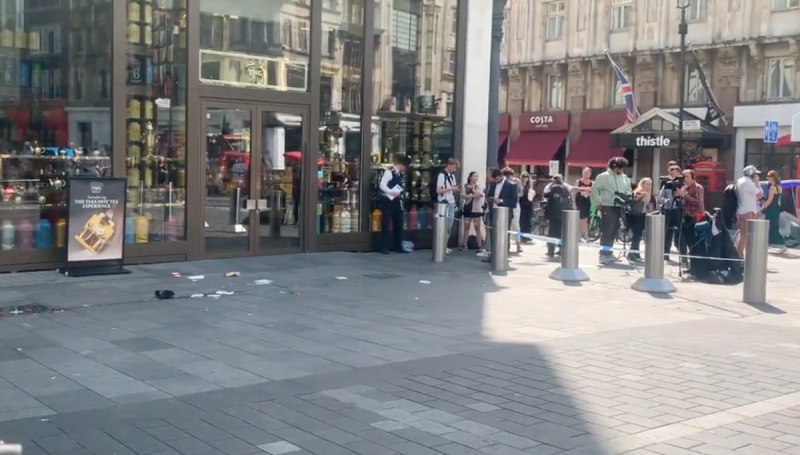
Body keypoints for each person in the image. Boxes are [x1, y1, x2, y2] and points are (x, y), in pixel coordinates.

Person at [591, 156, 632, 264]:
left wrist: (628, 195)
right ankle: (603, 254)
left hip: (620, 206)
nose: (621, 170)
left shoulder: (624, 177)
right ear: (614, 166)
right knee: (607, 229)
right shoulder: (603, 176)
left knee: (615, 229)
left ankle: (609, 252)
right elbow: (595, 189)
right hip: (608, 205)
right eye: (620, 167)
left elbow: (629, 189)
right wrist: (597, 202)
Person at [483, 168, 519, 262]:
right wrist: (491, 199)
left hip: (505, 213)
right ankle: (492, 255)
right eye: (494, 179)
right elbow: (489, 195)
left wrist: (501, 201)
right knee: (493, 234)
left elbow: (514, 202)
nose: (496, 181)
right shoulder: (493, 184)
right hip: (493, 211)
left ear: (501, 176)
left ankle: (504, 257)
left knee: (504, 235)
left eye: (497, 179)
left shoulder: (511, 185)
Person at [378, 153, 408, 254]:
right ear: (401, 165)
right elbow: (382, 185)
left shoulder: (400, 174)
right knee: (386, 223)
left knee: (398, 222)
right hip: (388, 200)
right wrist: (391, 192)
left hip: (396, 200)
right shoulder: (389, 172)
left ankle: (397, 245)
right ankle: (383, 246)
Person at [676, 169, 705, 268]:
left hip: (696, 218)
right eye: (683, 177)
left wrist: (684, 195)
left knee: (694, 243)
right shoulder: (684, 188)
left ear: (693, 177)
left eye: (687, 177)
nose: (685, 179)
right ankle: (690, 265)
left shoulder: (698, 188)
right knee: (686, 241)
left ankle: (696, 266)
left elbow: (698, 202)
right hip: (686, 217)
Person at [734, 165, 763, 257]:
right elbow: (760, 194)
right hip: (747, 211)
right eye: (755, 174)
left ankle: (736, 252)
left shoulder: (740, 181)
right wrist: (757, 183)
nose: (756, 176)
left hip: (740, 210)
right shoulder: (748, 182)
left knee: (741, 233)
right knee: (744, 234)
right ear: (752, 174)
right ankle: (739, 254)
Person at [659, 163, 683, 261]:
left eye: (674, 174)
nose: (672, 176)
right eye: (670, 174)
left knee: (680, 233)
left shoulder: (683, 183)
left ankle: (683, 255)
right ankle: (665, 254)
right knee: (667, 232)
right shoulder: (666, 183)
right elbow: (660, 197)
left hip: (679, 210)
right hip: (668, 210)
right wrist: (666, 201)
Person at [435, 158, 460, 254]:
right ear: (449, 165)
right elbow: (438, 190)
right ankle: (441, 246)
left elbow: (452, 189)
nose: (454, 170)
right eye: (454, 167)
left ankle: (445, 245)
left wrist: (456, 189)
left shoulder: (452, 176)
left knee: (449, 226)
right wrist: (450, 189)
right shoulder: (441, 175)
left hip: (451, 202)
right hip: (444, 202)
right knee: (444, 226)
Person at [628, 178, 655, 261]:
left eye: (650, 184)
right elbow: (633, 199)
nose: (648, 186)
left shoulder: (648, 193)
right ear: (642, 184)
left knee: (638, 235)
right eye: (646, 184)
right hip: (636, 215)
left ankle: (634, 253)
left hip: (642, 214)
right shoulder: (639, 190)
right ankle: (633, 254)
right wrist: (641, 195)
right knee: (636, 234)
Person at [543, 174, 570, 258]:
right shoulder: (565, 188)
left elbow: (546, 195)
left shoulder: (553, 187)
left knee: (552, 232)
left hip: (553, 214)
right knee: (561, 232)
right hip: (562, 213)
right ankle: (561, 249)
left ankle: (550, 250)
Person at [460, 171, 486, 254]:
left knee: (477, 228)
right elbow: (463, 196)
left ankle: (479, 245)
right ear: (470, 177)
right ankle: (464, 244)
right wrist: (473, 196)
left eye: (477, 176)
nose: (476, 178)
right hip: (468, 208)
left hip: (476, 209)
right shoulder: (465, 186)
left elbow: (479, 195)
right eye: (474, 176)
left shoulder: (478, 186)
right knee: (466, 227)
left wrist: (472, 190)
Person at [763, 170, 788, 254]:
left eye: (769, 176)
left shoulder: (772, 188)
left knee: (770, 227)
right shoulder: (779, 187)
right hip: (776, 209)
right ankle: (770, 245)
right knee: (774, 227)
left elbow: (769, 200)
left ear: (773, 177)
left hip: (771, 209)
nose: (767, 178)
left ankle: (782, 245)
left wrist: (762, 208)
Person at [503, 168, 523, 253]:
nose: (509, 177)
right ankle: (506, 245)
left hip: (515, 205)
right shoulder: (503, 182)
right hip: (505, 205)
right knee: (505, 225)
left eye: (510, 175)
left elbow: (521, 192)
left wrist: (514, 195)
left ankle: (518, 244)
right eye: (507, 176)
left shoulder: (516, 181)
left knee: (515, 225)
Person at [575, 168, 593, 239]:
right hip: (579, 201)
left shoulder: (592, 183)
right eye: (584, 173)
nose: (586, 174)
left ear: (590, 174)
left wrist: (588, 193)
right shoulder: (578, 182)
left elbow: (593, 193)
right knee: (580, 218)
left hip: (587, 202)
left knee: (586, 218)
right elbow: (575, 191)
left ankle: (584, 233)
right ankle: (579, 234)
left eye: (587, 173)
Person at [519, 172, 535, 243]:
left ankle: (527, 236)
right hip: (521, 206)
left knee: (528, 222)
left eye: (526, 177)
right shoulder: (520, 185)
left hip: (528, 206)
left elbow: (531, 197)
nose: (525, 179)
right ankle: (522, 236)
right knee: (522, 222)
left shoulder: (529, 187)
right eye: (524, 177)